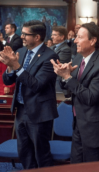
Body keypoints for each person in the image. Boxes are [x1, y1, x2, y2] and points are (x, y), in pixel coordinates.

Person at [51, 22, 99, 163]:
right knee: (75, 164)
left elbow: (90, 97)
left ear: (92, 41)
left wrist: (67, 77)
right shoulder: (79, 58)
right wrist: (63, 75)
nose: (75, 40)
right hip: (79, 121)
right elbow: (71, 87)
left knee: (90, 166)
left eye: (79, 37)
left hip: (93, 126)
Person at [0, 20, 59, 169]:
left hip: (39, 113)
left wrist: (16, 66)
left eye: (26, 34)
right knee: (24, 152)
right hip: (21, 110)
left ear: (37, 37)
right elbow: (8, 81)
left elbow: (36, 85)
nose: (22, 37)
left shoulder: (50, 56)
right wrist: (9, 67)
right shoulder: (21, 51)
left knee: (41, 154)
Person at [50, 26, 71, 96]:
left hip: (58, 82)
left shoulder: (66, 49)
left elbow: (57, 65)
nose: (52, 37)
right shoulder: (52, 47)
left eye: (54, 35)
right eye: (52, 34)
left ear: (62, 37)